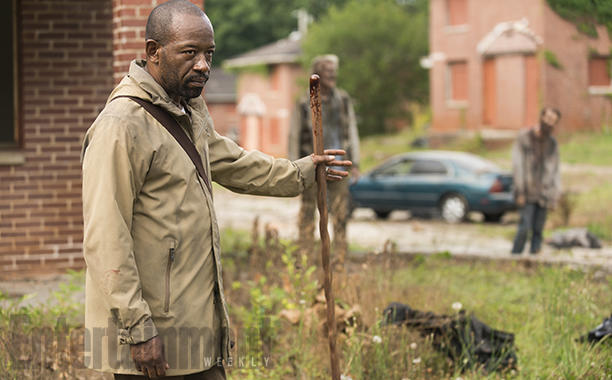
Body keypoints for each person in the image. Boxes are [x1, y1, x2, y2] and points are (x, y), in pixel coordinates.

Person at [80, 1, 351, 379]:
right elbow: (105, 236)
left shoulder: (189, 109)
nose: (204, 66)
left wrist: (303, 171)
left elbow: (233, 162)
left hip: (194, 331)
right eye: (189, 53)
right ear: (153, 52)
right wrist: (137, 329)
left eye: (209, 53)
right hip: (150, 337)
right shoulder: (121, 126)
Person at [288, 55, 360, 268]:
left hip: (339, 166)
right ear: (317, 74)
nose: (333, 75)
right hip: (312, 167)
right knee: (308, 213)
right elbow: (293, 136)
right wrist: (294, 169)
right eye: (328, 71)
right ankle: (305, 259)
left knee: (340, 214)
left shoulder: (343, 99)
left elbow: (352, 130)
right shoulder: (304, 101)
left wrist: (355, 162)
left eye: (334, 71)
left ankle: (339, 260)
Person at [511, 107, 561, 255]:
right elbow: (517, 165)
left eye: (553, 121)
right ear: (541, 117)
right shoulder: (524, 137)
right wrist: (519, 191)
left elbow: (555, 170)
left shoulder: (552, 144)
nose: (549, 123)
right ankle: (515, 257)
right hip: (526, 193)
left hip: (544, 194)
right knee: (524, 227)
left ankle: (534, 259)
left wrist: (554, 195)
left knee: (538, 230)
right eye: (547, 118)